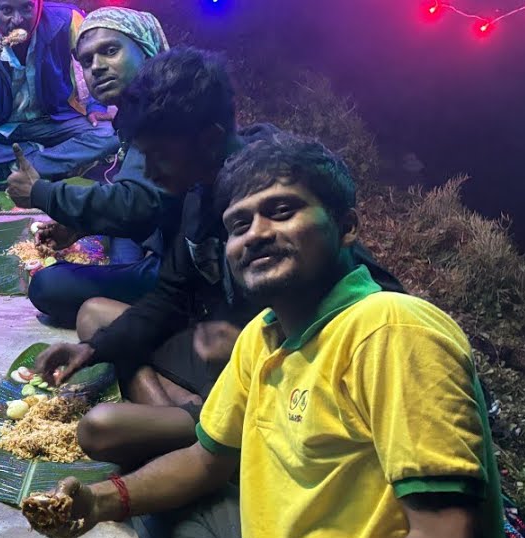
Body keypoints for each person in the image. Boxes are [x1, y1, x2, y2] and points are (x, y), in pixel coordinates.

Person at [26, 133, 504, 538]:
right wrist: (99, 502)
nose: (255, 233)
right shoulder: (267, 333)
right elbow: (206, 460)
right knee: (155, 497)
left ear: (346, 227)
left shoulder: (390, 329)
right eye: (239, 223)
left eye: (281, 210)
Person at [34, 48, 400, 471]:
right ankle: (197, 423)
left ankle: (212, 438)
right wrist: (93, 350)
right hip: (225, 358)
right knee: (95, 318)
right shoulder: (199, 194)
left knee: (103, 427)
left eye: (159, 156)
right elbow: (171, 294)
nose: (150, 173)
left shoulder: (278, 198)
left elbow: (374, 301)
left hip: (285, 378)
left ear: (208, 139)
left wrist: (252, 341)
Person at [2, 6, 171, 325]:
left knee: (48, 286)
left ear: (146, 50)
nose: (98, 67)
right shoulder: (138, 111)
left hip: (181, 269)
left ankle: (153, 317)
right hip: (156, 234)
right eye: (87, 61)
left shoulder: (168, 111)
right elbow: (146, 201)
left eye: (110, 51)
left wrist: (41, 193)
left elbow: (137, 204)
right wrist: (81, 227)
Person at [0, 0, 120, 190]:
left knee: (107, 133)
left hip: (54, 122)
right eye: (7, 10)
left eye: (27, 8)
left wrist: (96, 104)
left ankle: (5, 170)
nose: (18, 20)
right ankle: (51, 161)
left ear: (39, 4)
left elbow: (97, 61)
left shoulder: (67, 20)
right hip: (1, 130)